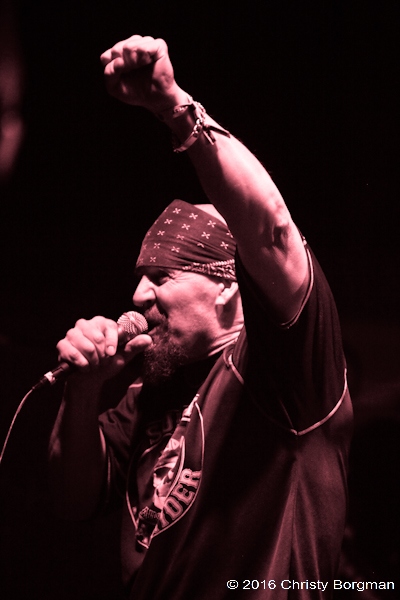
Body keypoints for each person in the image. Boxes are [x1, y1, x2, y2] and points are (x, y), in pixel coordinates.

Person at [48, 35, 353, 599]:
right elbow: (72, 501)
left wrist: (174, 108)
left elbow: (271, 231)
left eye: (162, 278)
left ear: (227, 288)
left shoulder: (283, 367)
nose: (137, 295)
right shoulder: (151, 390)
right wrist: (83, 391)